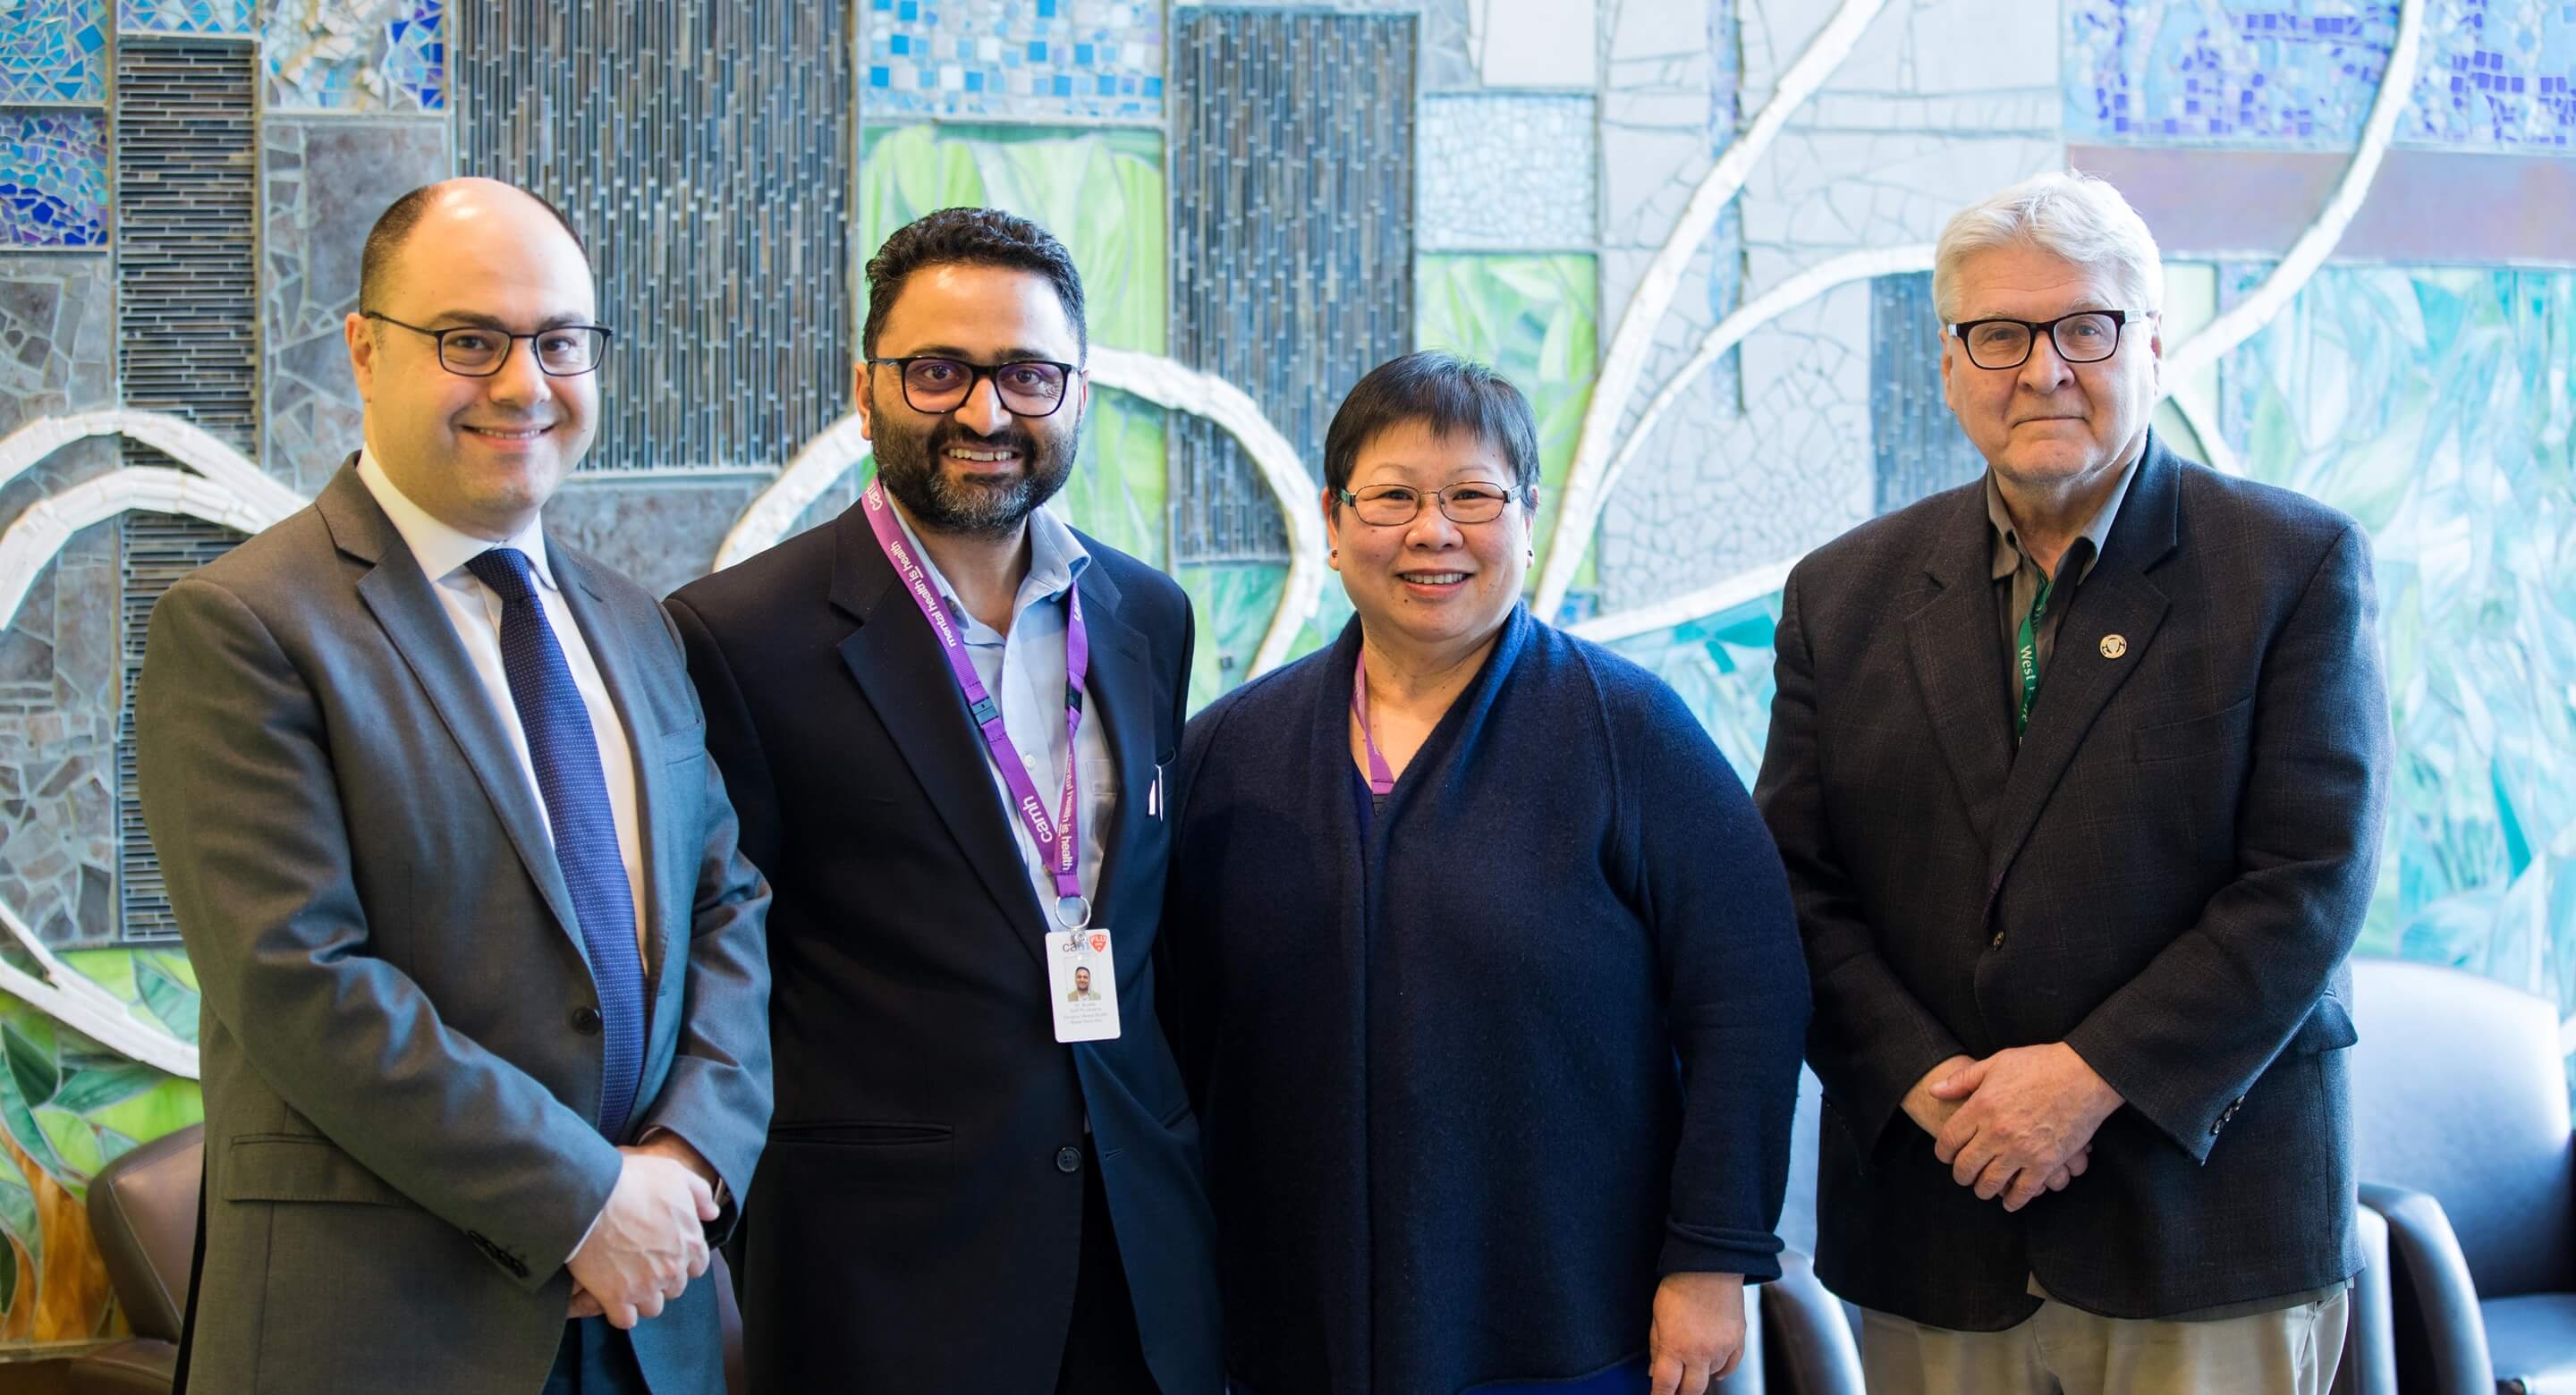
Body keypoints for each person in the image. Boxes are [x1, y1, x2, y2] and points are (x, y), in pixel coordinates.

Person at [1755, 171, 2392, 1395]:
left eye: (2085, 326)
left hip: (2206, 1227)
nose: (2042, 368)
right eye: (1998, 333)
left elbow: (2310, 881)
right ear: (1949, 362)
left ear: (2151, 342)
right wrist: (1929, 1090)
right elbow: (1794, 885)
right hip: (1938, 1224)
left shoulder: (2291, 566)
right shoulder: (1842, 595)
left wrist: (2087, 1081)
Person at [133, 178, 773, 1395]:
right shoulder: (242, 628)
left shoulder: (638, 624)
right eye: (470, 341)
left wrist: (690, 1166)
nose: (525, 384)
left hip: (650, 1321)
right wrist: (584, 1199)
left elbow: (725, 905)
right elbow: (299, 979)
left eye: (560, 342)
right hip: (385, 1334)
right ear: (366, 352)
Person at [1164, 351, 1809, 1395]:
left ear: (1527, 517)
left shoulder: (1627, 732)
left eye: (1473, 495)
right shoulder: (1226, 754)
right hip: (1286, 1325)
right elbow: (1176, 1033)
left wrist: (1712, 1255)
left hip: (1563, 1322)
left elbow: (1751, 999)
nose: (1434, 531)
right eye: (1392, 498)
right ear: (1332, 522)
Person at [665, 207, 1220, 1394]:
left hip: (1139, 1259)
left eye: (1027, 373)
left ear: (1076, 390)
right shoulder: (737, 639)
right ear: (866, 391)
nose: (986, 413)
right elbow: (718, 970)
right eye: (938, 372)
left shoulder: (1149, 618)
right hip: (887, 1283)